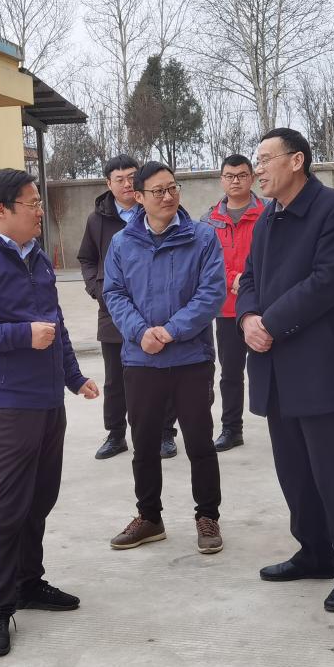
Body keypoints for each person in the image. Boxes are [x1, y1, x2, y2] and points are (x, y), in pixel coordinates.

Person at [0, 168, 100, 659]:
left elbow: (56, 324)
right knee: (5, 507)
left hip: (48, 400)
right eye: (31, 203)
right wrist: (21, 335)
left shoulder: (37, 257)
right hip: (5, 402)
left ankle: (28, 583)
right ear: (1, 210)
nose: (39, 211)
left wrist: (73, 376)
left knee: (39, 498)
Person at [235, 128, 334, 614]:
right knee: (294, 471)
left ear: (296, 161)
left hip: (316, 366)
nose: (258, 169)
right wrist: (248, 318)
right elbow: (249, 278)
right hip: (274, 366)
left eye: (265, 159)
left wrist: (269, 323)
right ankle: (314, 552)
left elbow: (328, 282)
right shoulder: (267, 218)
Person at [102, 161, 226, 555]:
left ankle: (207, 516)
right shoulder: (122, 243)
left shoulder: (202, 237)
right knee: (144, 443)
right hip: (141, 360)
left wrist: (171, 331)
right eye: (158, 191)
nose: (168, 196)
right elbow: (114, 293)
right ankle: (149, 517)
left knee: (199, 440)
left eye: (173, 187)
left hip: (191, 357)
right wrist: (141, 332)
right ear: (138, 197)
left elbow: (212, 292)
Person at [77, 154, 179, 460]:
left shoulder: (154, 211)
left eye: (131, 177)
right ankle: (116, 434)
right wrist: (96, 289)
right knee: (116, 379)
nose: (126, 184)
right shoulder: (97, 220)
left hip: (155, 311)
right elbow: (86, 258)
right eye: (119, 179)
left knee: (161, 374)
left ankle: (165, 433)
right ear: (108, 183)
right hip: (113, 312)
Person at [201, 154, 266, 452]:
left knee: (271, 367)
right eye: (229, 176)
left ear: (252, 177)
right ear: (221, 180)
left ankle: (283, 420)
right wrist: (233, 279)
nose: (235, 181)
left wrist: (249, 282)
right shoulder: (209, 221)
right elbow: (207, 262)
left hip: (264, 305)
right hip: (227, 309)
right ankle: (231, 428)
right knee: (230, 373)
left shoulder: (269, 213)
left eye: (241, 175)